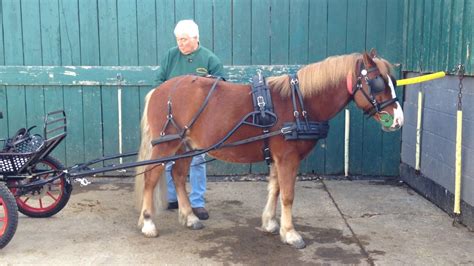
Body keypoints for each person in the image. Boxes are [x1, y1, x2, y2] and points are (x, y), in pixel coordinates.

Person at [155, 19, 224, 220]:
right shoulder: (170, 56)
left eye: (184, 39)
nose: (180, 44)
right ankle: (173, 197)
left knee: (197, 159)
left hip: (200, 122)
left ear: (196, 38)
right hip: (173, 119)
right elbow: (158, 83)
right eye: (178, 39)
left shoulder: (209, 59)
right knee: (169, 158)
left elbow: (222, 88)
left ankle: (197, 202)